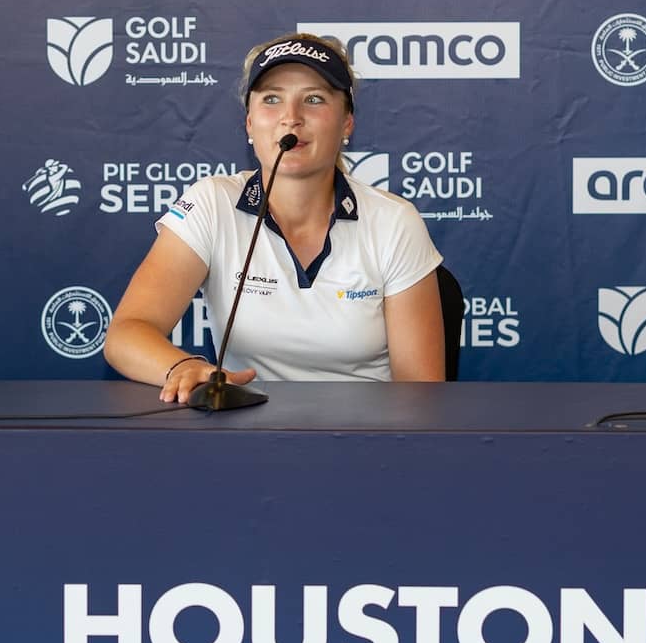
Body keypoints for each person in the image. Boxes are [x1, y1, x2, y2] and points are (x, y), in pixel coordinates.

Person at [106, 34, 446, 400]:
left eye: (313, 99)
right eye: (272, 99)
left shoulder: (394, 221)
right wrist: (181, 367)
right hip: (245, 427)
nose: (291, 118)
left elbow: (421, 397)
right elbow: (127, 333)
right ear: (250, 123)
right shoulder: (213, 203)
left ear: (347, 123)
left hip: (366, 430)